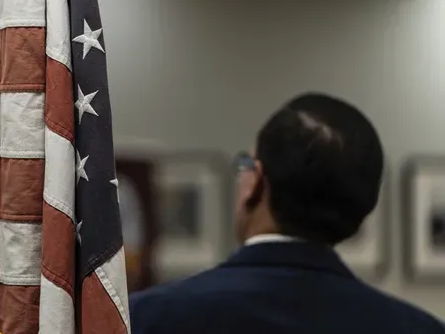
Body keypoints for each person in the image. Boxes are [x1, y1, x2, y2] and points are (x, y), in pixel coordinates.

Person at [128, 93, 445, 333]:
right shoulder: (419, 329)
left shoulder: (145, 318)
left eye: (246, 165)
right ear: (366, 209)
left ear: (255, 183)